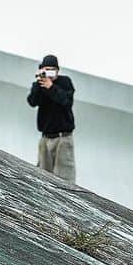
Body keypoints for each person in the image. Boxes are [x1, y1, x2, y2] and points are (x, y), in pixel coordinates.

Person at [27, 54, 76, 183]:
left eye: (52, 70)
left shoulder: (65, 82)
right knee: (42, 177)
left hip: (63, 138)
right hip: (45, 138)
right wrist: (39, 82)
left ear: (58, 70)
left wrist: (51, 87)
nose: (49, 73)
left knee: (65, 178)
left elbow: (66, 101)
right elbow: (32, 101)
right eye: (46, 69)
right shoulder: (39, 84)